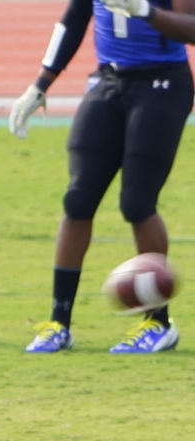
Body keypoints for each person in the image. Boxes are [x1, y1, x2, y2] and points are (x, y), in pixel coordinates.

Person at [10, 0, 191, 353]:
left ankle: (158, 323)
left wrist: (146, 11)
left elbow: (191, 27)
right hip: (109, 80)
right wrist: (40, 83)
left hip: (163, 83)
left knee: (137, 203)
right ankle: (59, 323)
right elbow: (74, 19)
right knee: (78, 199)